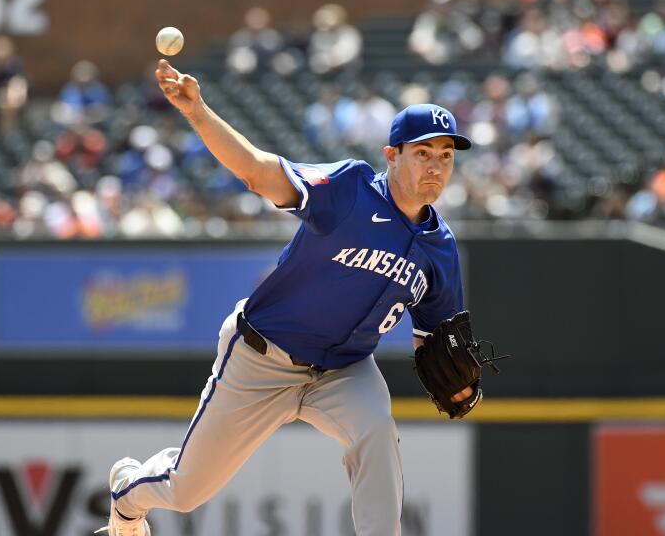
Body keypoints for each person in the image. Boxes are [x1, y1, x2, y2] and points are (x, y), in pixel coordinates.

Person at [96, 59, 477, 536]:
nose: (436, 166)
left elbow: (434, 339)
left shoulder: (440, 249)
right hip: (262, 357)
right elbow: (257, 172)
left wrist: (455, 378)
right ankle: (127, 495)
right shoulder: (350, 190)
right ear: (392, 155)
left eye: (446, 156)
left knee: (377, 431)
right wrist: (198, 113)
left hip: (345, 370)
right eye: (424, 153)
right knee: (187, 488)